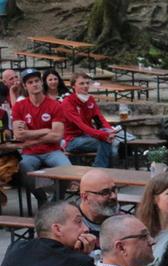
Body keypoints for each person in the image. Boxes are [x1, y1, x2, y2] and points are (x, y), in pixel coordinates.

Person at [12, 68, 70, 206]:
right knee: (23, 165)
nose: (35, 84)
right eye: (30, 82)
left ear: (42, 83)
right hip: (30, 152)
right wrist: (45, 130)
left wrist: (29, 135)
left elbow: (56, 136)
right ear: (25, 86)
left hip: (52, 151)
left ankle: (56, 201)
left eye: (37, 81)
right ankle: (42, 199)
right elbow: (19, 135)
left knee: (67, 168)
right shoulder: (19, 106)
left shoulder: (54, 105)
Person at [62, 72, 116, 168]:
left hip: (88, 137)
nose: (86, 86)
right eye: (82, 83)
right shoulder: (68, 102)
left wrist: (110, 130)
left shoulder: (90, 99)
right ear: (73, 86)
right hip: (72, 140)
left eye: (87, 83)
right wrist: (103, 135)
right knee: (108, 143)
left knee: (112, 144)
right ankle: (100, 171)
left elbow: (100, 118)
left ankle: (100, 172)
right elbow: (81, 125)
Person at [78, 168, 120, 239]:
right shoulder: (74, 226)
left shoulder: (122, 220)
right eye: (105, 192)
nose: (114, 196)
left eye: (114, 190)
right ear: (85, 197)